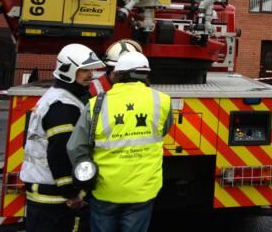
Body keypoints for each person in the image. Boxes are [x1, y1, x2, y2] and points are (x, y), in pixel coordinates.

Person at [67, 52, 172, 232]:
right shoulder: (162, 101)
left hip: (105, 190)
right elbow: (163, 130)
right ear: (146, 74)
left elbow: (75, 146)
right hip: (142, 190)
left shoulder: (95, 104)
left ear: (117, 74)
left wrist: (85, 177)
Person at [21, 43, 104, 232]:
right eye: (84, 70)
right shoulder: (63, 106)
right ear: (69, 70)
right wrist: (72, 193)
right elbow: (60, 153)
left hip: (46, 193)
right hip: (53, 198)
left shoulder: (59, 97)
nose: (90, 75)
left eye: (90, 69)